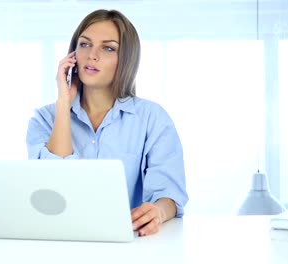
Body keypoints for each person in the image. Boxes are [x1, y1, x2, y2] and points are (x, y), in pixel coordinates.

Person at [26, 9, 188, 236]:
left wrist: (157, 212)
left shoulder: (152, 118)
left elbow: (169, 194)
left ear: (126, 60)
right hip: (62, 241)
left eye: (108, 48)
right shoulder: (44, 119)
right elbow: (52, 189)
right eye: (84, 44)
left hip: (131, 244)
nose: (92, 55)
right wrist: (63, 104)